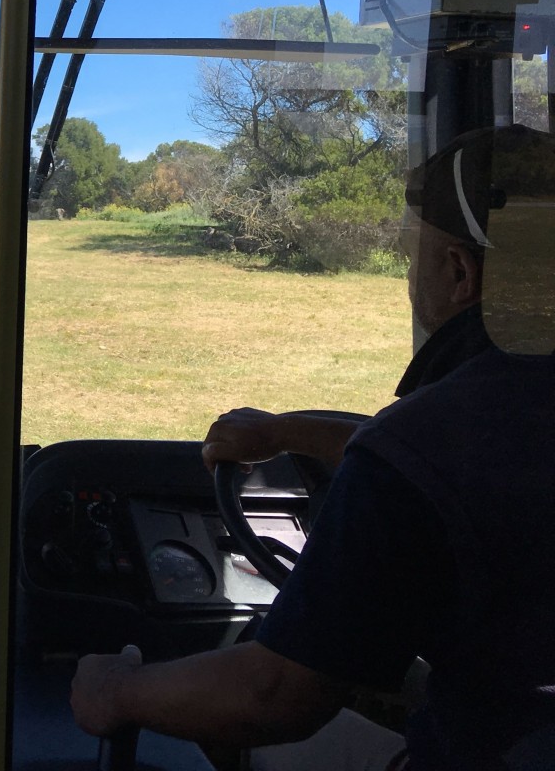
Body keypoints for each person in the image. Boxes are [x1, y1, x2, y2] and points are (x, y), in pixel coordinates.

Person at [70, 124, 555, 770]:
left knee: (233, 731)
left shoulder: (425, 443)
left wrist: (114, 689)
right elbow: (485, 457)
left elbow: (274, 694)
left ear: (459, 272)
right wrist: (287, 433)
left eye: (412, 256)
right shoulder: (477, 425)